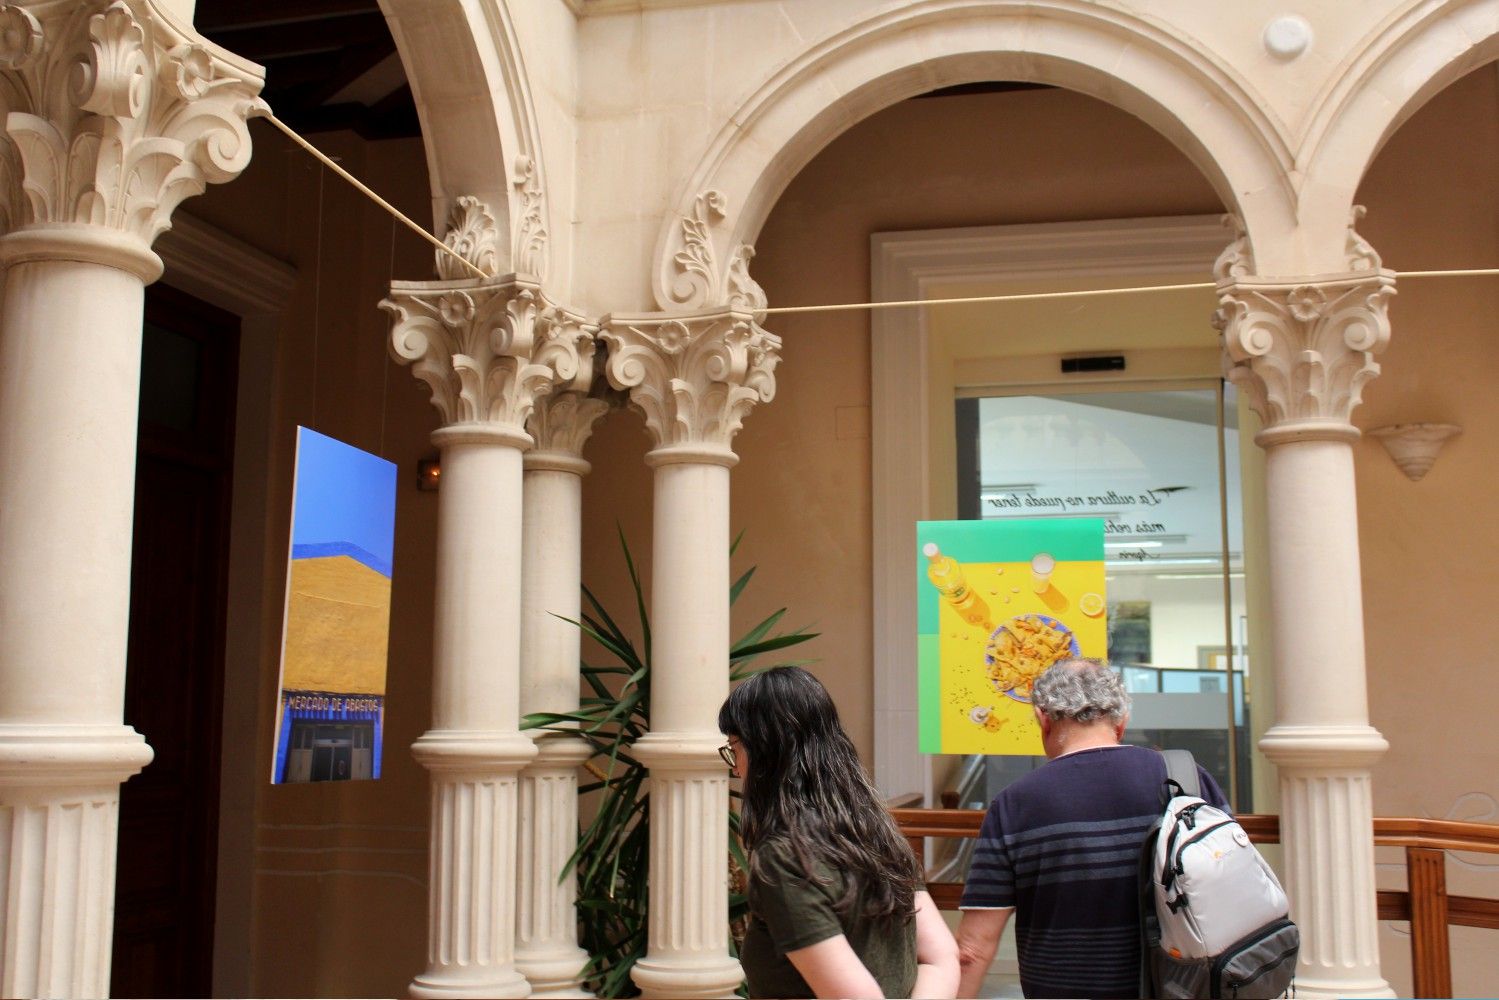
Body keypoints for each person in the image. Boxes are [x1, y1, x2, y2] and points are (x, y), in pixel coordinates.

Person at [953, 658, 1229, 999]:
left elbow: (973, 949)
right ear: (1121, 721)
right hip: (1186, 987)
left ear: (1043, 719)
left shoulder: (1013, 804)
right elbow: (1231, 875)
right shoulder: (1185, 777)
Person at [719, 666, 959, 999]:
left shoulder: (785, 856)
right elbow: (941, 959)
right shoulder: (877, 833)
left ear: (764, 751)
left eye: (734, 748)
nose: (735, 768)